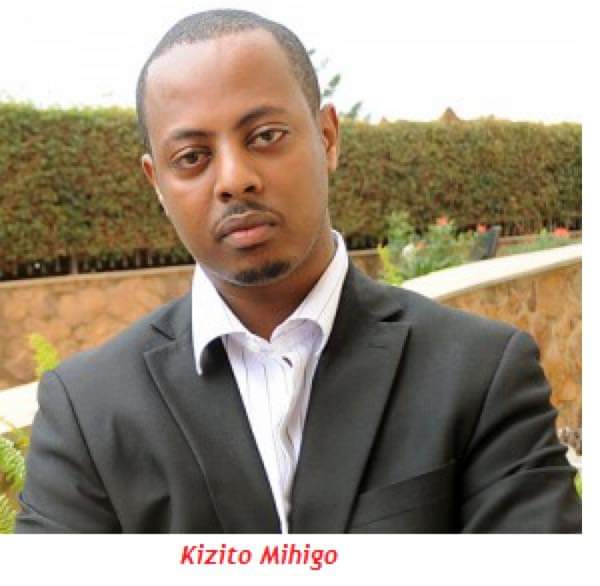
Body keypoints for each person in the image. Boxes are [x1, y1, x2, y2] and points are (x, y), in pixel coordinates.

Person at [16, 9, 581, 533]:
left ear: (327, 137)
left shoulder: (480, 373)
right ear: (157, 183)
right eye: (192, 157)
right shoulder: (87, 412)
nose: (234, 179)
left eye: (265, 136)